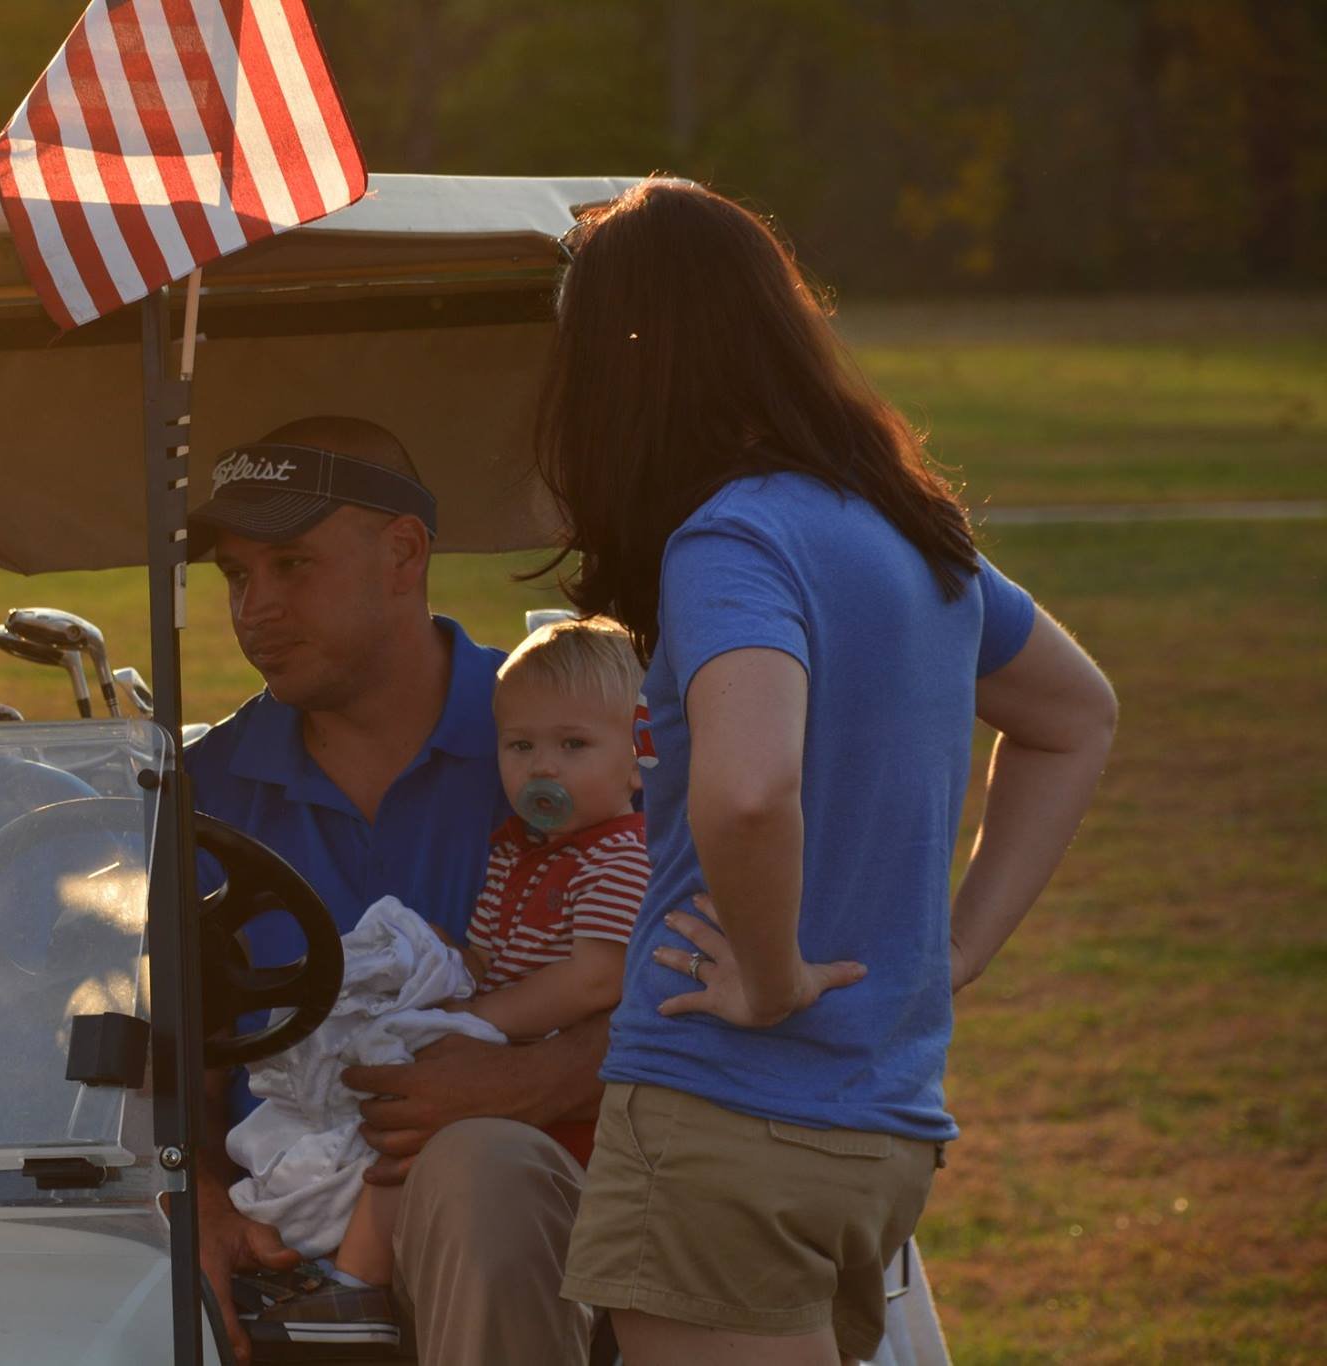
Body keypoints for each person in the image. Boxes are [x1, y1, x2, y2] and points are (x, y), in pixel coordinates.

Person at [535, 178, 1118, 1364]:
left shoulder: (729, 538)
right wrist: (954, 951)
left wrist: (768, 971)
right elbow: (1075, 715)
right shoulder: (907, 530)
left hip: (725, 1113)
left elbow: (749, 786)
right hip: (879, 1125)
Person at [184, 415, 605, 1365]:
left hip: (548, 1200)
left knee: (479, 1166)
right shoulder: (197, 791)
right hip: (277, 1231)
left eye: (292, 565)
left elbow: (698, 983)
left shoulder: (566, 744)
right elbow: (169, 1064)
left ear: (404, 554)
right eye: (237, 577)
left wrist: (534, 1077)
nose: (255, 610)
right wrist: (198, 1200)